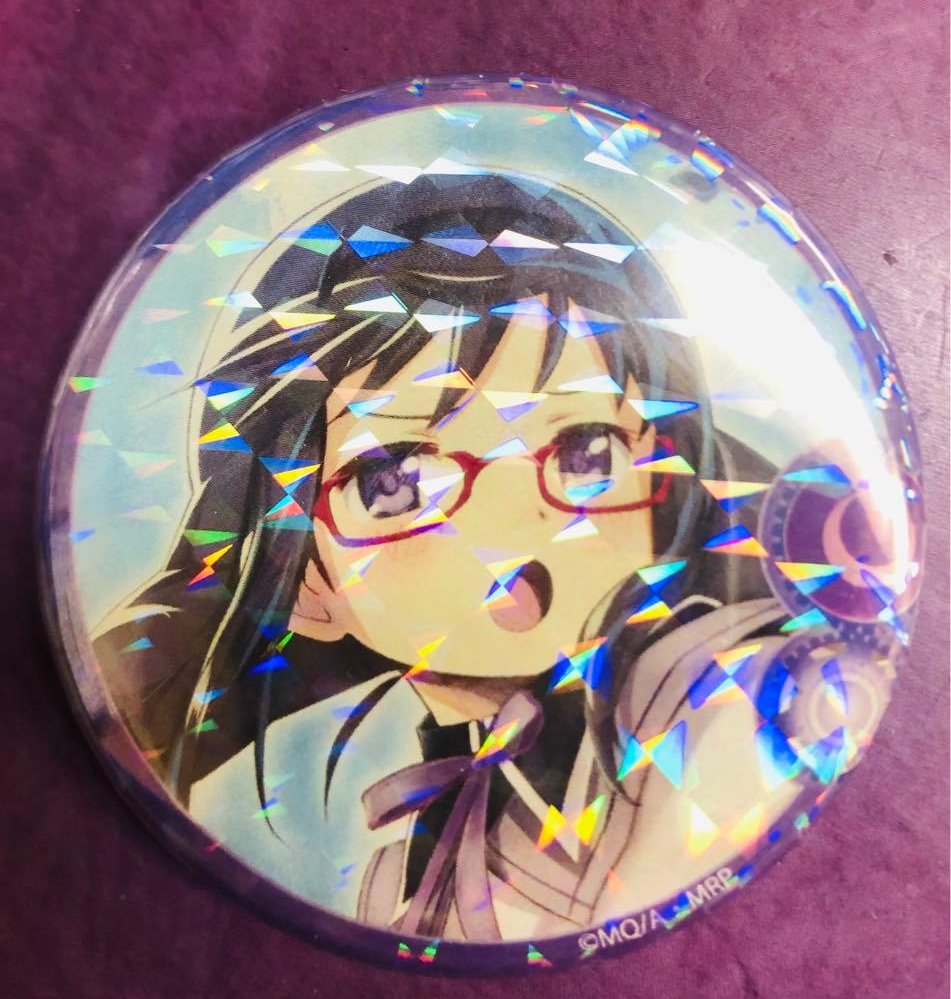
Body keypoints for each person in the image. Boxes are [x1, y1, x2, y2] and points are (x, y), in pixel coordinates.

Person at [92, 174, 881, 941]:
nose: (513, 529)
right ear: (306, 583)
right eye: (396, 483)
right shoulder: (401, 876)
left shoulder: (719, 705)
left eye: (585, 452)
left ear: (661, 477)